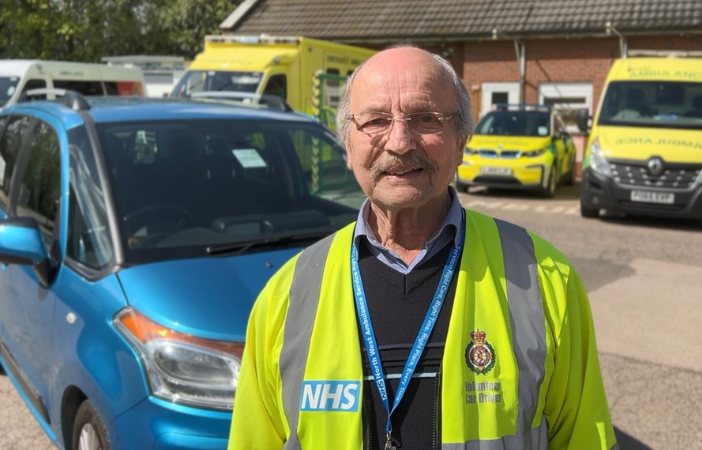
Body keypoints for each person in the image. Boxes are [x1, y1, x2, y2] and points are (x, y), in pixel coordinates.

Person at [228, 46, 618, 450]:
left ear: (461, 140)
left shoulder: (544, 278)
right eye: (376, 120)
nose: (399, 141)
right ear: (348, 144)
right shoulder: (285, 298)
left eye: (426, 119)